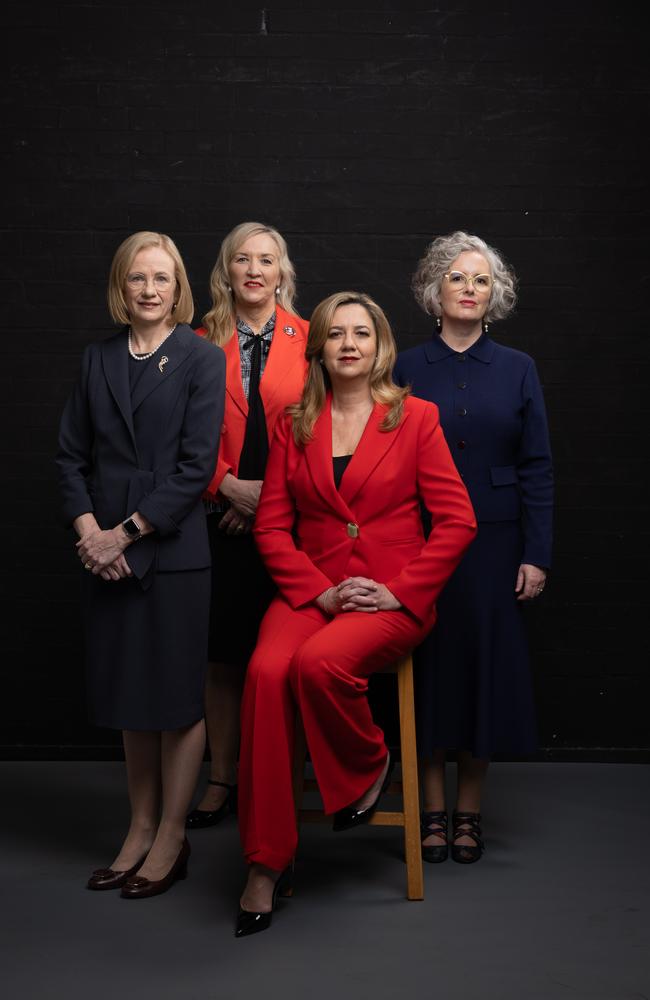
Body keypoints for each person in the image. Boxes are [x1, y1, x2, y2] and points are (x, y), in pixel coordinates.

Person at [234, 291, 477, 936]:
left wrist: (401, 591)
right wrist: (317, 592)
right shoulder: (293, 423)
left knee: (317, 664)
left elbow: (457, 521)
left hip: (389, 597)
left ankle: (369, 765)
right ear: (318, 347)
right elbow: (273, 529)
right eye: (335, 333)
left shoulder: (416, 418)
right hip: (311, 592)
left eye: (361, 333)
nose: (348, 343)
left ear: (380, 346)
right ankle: (265, 859)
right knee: (263, 672)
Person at [56, 231, 225, 898]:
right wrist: (91, 534)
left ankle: (173, 837)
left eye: (161, 278)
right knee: (131, 698)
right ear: (120, 288)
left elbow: (195, 470)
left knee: (178, 700)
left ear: (178, 286)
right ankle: (140, 827)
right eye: (137, 279)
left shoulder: (200, 359)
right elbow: (70, 459)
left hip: (172, 556)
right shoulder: (97, 359)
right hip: (106, 554)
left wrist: (121, 535)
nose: (149, 290)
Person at [393, 231, 553, 864]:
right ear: (436, 290)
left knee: (482, 672)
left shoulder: (519, 368)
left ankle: (468, 814)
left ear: (495, 296)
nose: (468, 288)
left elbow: (537, 465)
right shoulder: (405, 366)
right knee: (430, 670)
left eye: (480, 280)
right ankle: (429, 812)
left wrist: (535, 554)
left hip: (495, 542)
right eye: (457, 278)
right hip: (421, 540)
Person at [185, 222, 309, 829]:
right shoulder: (198, 339)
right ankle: (220, 778)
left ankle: (277, 781)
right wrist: (225, 487)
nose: (255, 270)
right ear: (226, 271)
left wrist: (266, 501)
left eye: (267, 260)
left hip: (289, 522)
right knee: (222, 657)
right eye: (243, 259)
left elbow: (320, 429)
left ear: (282, 272)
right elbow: (179, 432)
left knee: (280, 654)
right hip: (217, 516)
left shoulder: (311, 341)